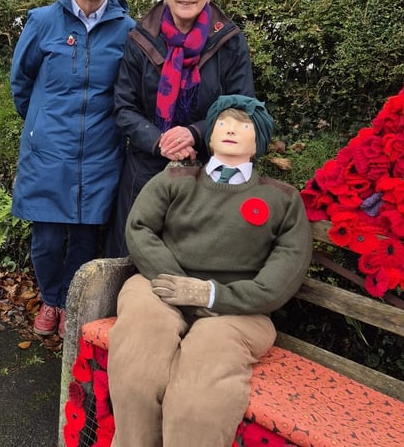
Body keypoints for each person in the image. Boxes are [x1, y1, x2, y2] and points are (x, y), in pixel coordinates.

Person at [107, 95, 312, 446]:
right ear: (210, 137)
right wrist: (178, 282)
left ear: (258, 141)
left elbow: (284, 274)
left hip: (239, 311)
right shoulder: (177, 179)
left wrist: (214, 295)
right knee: (137, 370)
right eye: (222, 123)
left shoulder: (282, 199)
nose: (231, 129)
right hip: (161, 286)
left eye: (243, 125)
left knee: (198, 398)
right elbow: (139, 228)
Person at [10, 0, 136, 338]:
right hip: (49, 151)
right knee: (47, 240)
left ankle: (68, 303)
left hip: (100, 152)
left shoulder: (127, 29)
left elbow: (128, 91)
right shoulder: (43, 21)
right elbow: (21, 82)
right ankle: (50, 297)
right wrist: (41, 123)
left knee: (83, 239)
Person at [105, 0, 255, 257]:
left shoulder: (229, 41)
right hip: (147, 164)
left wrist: (195, 133)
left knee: (190, 258)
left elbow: (242, 108)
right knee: (128, 255)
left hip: (206, 168)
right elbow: (123, 106)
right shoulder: (140, 38)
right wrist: (159, 140)